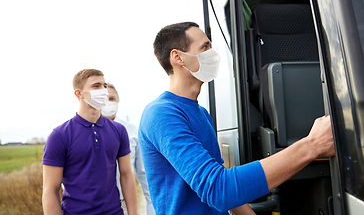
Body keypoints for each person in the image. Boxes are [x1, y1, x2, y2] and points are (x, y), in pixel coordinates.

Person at [138, 22, 335, 215]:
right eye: (205, 47)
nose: (212, 53)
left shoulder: (201, 113)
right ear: (178, 57)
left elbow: (224, 189)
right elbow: (218, 190)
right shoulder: (161, 114)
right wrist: (312, 145)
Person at [42, 69, 137, 215]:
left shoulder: (119, 130)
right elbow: (50, 190)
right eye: (96, 86)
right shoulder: (59, 136)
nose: (103, 90)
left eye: (104, 85)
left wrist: (133, 213)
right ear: (79, 93)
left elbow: (126, 175)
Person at [102, 83, 156, 215]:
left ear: (118, 102)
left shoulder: (131, 130)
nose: (109, 102)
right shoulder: (87, 131)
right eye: (105, 99)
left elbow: (142, 172)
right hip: (96, 204)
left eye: (112, 99)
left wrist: (151, 205)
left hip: (123, 204)